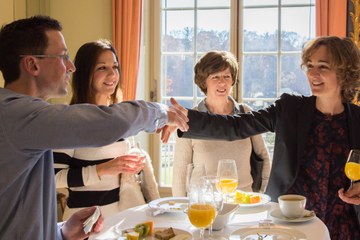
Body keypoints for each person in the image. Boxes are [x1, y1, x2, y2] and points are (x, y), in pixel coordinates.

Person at [0, 15, 188, 239]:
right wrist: (163, 113)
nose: (70, 67)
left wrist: (61, 232)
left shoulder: (25, 120)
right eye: (63, 57)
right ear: (32, 64)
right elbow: (110, 123)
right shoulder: (16, 115)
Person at [172, 36, 360, 238]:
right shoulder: (289, 109)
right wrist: (183, 119)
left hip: (345, 227)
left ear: (343, 71)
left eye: (322, 66)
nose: (313, 73)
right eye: (310, 66)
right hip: (292, 225)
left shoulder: (357, 119)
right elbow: (236, 126)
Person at [53, 40, 160, 220]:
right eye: (102, 68)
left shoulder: (120, 117)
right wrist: (102, 169)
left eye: (115, 66)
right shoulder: (71, 120)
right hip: (85, 224)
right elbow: (54, 178)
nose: (112, 74)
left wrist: (136, 165)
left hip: (124, 221)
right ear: (85, 72)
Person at [172, 51, 271, 197]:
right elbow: (180, 173)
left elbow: (264, 157)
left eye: (227, 76)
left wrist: (263, 196)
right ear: (203, 81)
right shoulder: (190, 119)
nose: (222, 82)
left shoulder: (245, 112)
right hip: (203, 203)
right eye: (215, 77)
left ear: (233, 80)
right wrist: (180, 210)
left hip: (244, 202)